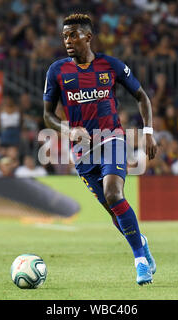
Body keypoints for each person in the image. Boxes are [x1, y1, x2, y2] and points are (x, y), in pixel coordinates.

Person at [43, 14, 157, 285]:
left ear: (88, 36)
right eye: (65, 36)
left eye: (73, 35)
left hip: (112, 139)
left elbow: (142, 97)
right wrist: (69, 131)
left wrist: (148, 133)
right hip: (82, 150)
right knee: (114, 212)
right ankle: (141, 244)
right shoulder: (57, 71)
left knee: (113, 192)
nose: (67, 41)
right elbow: (47, 116)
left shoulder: (110, 65)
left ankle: (140, 261)